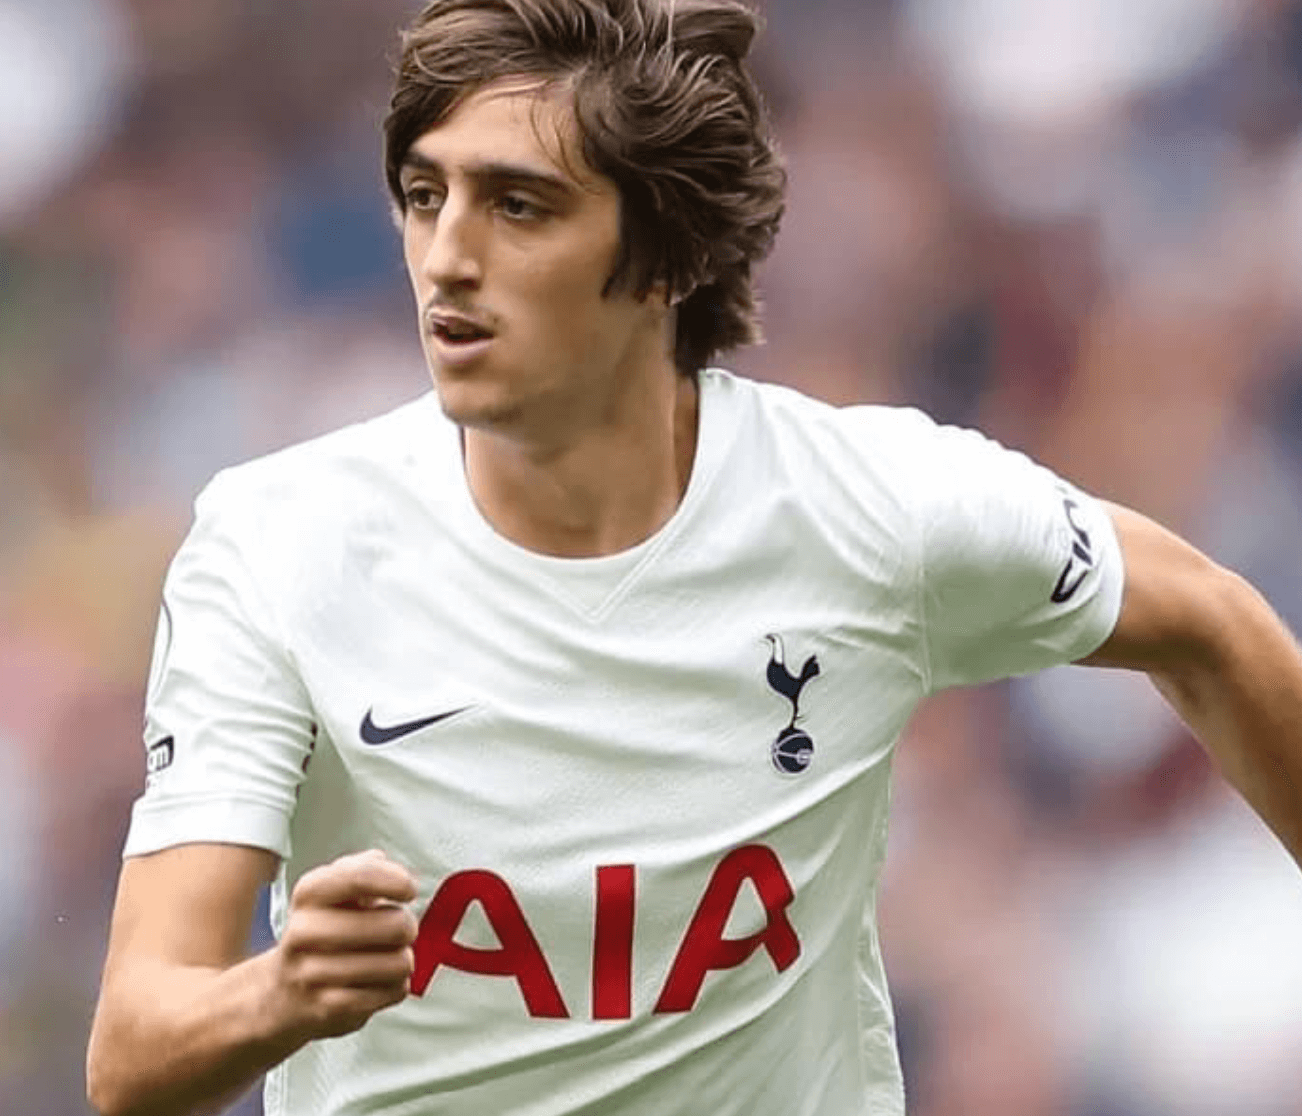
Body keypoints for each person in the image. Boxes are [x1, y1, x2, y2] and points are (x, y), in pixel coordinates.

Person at [85, 1, 1302, 1114]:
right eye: (423, 194)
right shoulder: (276, 541)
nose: (446, 254)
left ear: (665, 258)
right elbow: (132, 1054)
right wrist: (278, 992)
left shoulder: (873, 508)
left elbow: (1213, 622)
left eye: (519, 205)